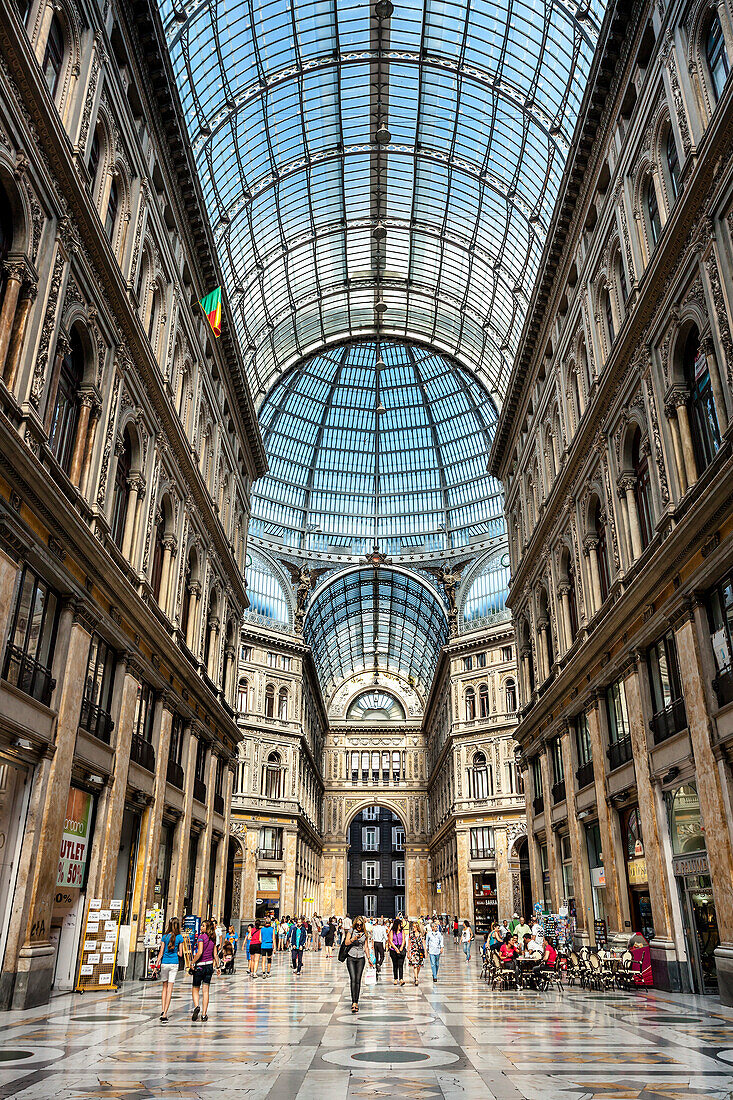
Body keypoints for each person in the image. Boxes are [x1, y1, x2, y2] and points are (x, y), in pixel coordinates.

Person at [154, 917, 183, 1022]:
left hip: (164, 964)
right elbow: (180, 954)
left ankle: (162, 1009)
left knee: (164, 987)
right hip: (174, 964)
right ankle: (165, 1013)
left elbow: (161, 952)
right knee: (170, 988)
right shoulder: (179, 937)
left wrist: (157, 962)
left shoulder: (164, 937)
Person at [190, 918, 220, 1021]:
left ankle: (197, 1006)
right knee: (206, 990)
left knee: (195, 988)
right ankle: (204, 1014)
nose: (201, 927)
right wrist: (218, 967)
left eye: (203, 926)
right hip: (209, 966)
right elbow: (215, 954)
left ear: (207, 928)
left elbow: (200, 952)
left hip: (200, 966)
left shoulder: (201, 937)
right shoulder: (213, 938)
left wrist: (192, 962)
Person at [343, 915, 371, 1012]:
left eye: (360, 925)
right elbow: (346, 943)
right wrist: (353, 939)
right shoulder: (351, 931)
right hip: (351, 957)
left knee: (358, 980)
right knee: (353, 979)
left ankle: (356, 1002)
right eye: (357, 924)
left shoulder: (365, 934)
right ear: (355, 924)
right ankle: (353, 1001)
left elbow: (366, 947)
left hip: (361, 958)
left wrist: (369, 958)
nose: (359, 926)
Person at [388, 918, 407, 984]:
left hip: (401, 948)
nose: (401, 926)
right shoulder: (392, 931)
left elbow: (404, 939)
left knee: (401, 964)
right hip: (393, 950)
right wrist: (396, 948)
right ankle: (395, 978)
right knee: (395, 965)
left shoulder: (402, 931)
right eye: (400, 924)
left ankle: (401, 979)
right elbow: (390, 940)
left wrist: (401, 947)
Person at [407, 921, 425, 986]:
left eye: (414, 927)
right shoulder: (411, 934)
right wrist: (408, 952)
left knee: (418, 966)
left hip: (419, 951)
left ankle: (416, 975)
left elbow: (423, 943)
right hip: (413, 951)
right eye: (413, 927)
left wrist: (425, 951)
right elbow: (409, 943)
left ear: (417, 927)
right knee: (415, 965)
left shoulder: (420, 934)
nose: (413, 928)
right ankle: (416, 979)